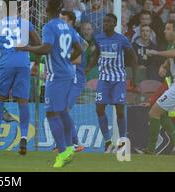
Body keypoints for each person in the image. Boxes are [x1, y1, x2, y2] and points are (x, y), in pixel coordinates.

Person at [16, 0, 82, 168]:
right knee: (63, 112)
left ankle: (63, 152)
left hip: (57, 75)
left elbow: (46, 48)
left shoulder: (49, 26)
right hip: (68, 73)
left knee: (52, 113)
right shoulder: (67, 26)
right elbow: (80, 49)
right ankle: (72, 145)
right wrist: (67, 60)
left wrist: (26, 48)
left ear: (47, 9)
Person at [0, 0, 41, 155]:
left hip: (6, 65)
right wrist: (37, 63)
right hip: (23, 65)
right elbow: (39, 43)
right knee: (23, 101)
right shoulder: (26, 24)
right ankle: (24, 136)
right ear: (18, 8)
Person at [86, 14, 138, 152]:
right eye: (104, 21)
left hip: (118, 79)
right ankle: (108, 142)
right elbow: (97, 53)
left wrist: (135, 77)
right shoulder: (98, 38)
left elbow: (133, 56)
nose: (105, 24)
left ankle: (122, 142)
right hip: (103, 78)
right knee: (99, 109)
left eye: (108, 22)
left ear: (114, 24)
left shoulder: (122, 39)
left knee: (119, 110)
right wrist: (88, 68)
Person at [137, 21, 175, 154]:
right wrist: (164, 66)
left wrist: (156, 53)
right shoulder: (171, 45)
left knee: (154, 112)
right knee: (160, 111)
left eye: (168, 29)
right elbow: (171, 56)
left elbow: (173, 53)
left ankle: (150, 150)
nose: (165, 31)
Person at [60, 10, 87, 152]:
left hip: (76, 79)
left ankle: (73, 143)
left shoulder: (73, 36)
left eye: (63, 19)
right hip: (67, 79)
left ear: (71, 21)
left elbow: (77, 59)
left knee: (64, 110)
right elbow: (85, 45)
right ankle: (73, 143)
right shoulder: (67, 36)